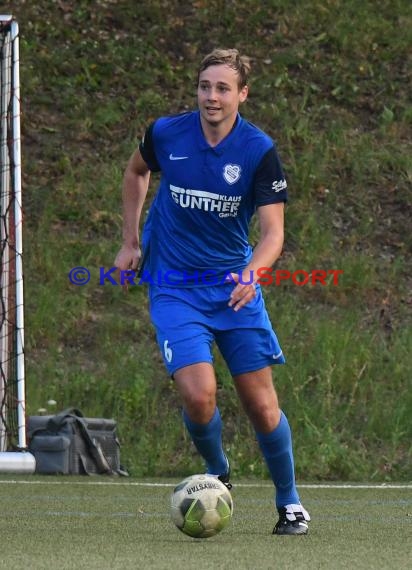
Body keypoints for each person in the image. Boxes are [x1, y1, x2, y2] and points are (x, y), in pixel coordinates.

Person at [114, 48, 310, 535]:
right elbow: (137, 171)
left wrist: (253, 273)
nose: (212, 96)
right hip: (174, 285)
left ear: (242, 93)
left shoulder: (258, 151)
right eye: (205, 86)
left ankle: (289, 503)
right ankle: (218, 470)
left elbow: (272, 235)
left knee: (262, 407)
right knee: (199, 396)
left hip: (233, 291)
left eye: (223, 88)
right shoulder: (166, 133)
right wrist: (129, 241)